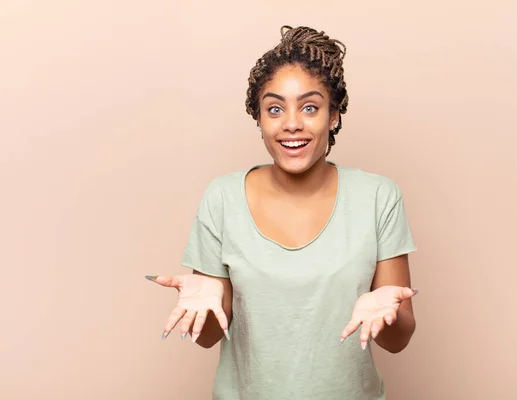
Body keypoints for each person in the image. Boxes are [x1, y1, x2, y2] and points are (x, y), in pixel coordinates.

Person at [146, 25, 419, 399]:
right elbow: (208, 338)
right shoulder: (222, 197)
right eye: (275, 108)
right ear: (258, 119)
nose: (292, 123)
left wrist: (386, 313)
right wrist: (204, 303)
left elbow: (398, 340)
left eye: (310, 107)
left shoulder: (378, 197)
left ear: (334, 115)